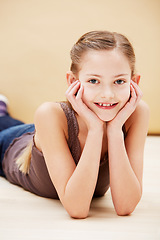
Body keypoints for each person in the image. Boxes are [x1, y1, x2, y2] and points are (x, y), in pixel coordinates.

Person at [0, 31, 149, 219]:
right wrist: (96, 129)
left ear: (134, 83)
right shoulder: (49, 114)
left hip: (49, 135)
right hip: (12, 144)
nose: (108, 94)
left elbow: (125, 206)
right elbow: (77, 209)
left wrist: (114, 130)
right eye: (93, 81)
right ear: (73, 81)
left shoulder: (136, 114)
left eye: (119, 81)